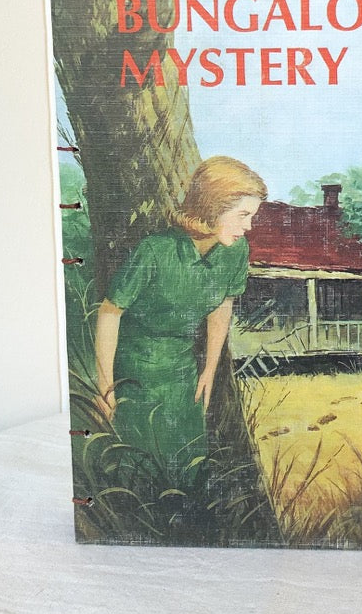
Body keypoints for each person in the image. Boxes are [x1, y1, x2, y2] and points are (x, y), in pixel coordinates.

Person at [93, 156, 266, 481]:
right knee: (139, 471)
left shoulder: (235, 252)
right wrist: (105, 387)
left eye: (252, 217)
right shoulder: (156, 251)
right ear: (213, 207)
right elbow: (110, 312)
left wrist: (209, 370)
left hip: (184, 375)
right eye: (243, 215)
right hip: (134, 375)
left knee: (187, 470)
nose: (248, 227)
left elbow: (222, 307)